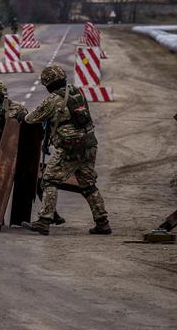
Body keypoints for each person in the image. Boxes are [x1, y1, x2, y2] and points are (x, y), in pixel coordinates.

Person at [21, 65, 111, 236]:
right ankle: (102, 222)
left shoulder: (53, 99)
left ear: (48, 84)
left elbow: (30, 118)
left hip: (70, 147)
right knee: (88, 185)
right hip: (89, 145)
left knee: (49, 180)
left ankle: (44, 220)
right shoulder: (77, 92)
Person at [0, 79, 64, 225]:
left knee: (36, 181)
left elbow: (31, 124)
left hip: (20, 152)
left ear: (3, 94)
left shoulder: (17, 109)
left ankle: (52, 214)